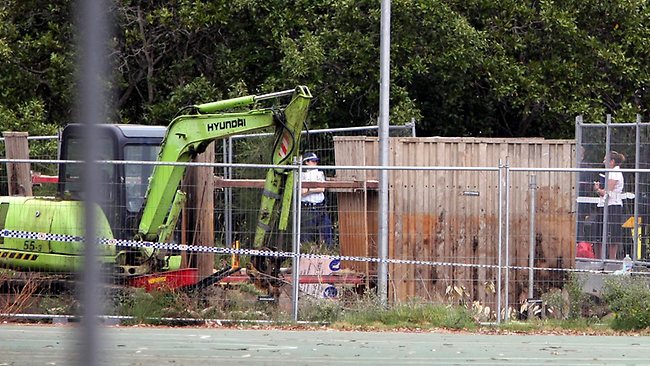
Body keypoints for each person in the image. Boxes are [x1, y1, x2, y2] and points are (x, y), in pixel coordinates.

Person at [593, 151, 626, 260]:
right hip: (603, 205)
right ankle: (598, 260)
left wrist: (597, 189)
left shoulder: (615, 173)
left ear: (612, 162)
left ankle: (611, 260)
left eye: (605, 159)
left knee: (613, 234)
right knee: (598, 233)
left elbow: (606, 192)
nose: (603, 162)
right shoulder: (608, 172)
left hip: (613, 206)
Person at [300, 152, 334, 247]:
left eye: (316, 161)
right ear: (306, 162)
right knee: (307, 234)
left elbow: (321, 188)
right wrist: (313, 189)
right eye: (313, 161)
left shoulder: (319, 173)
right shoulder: (301, 174)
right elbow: (301, 192)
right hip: (308, 208)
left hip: (320, 206)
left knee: (327, 231)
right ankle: (305, 254)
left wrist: (309, 190)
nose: (315, 163)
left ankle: (328, 252)